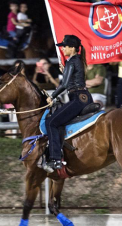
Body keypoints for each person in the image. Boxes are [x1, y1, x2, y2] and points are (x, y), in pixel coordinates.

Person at [45, 35, 93, 171]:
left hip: (77, 98)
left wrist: (52, 96)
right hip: (83, 96)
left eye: (65, 46)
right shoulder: (75, 61)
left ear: (72, 48)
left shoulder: (72, 61)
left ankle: (55, 159)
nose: (63, 49)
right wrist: (65, 70)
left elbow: (65, 84)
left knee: (51, 122)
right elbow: (72, 79)